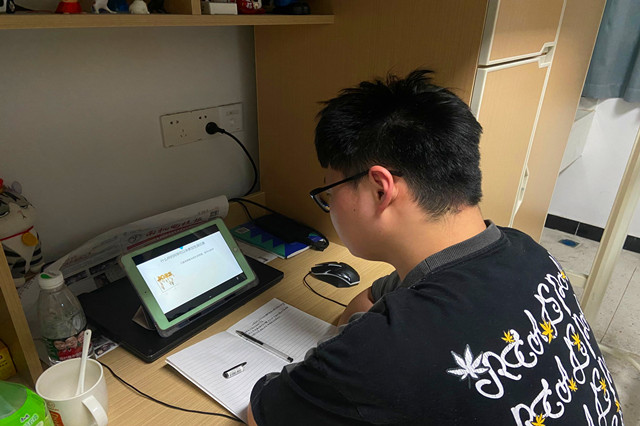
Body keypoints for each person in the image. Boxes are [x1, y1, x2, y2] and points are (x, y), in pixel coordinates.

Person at [248, 69, 623, 425]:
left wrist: (342, 363)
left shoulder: (391, 347)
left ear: (380, 189)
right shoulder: (526, 250)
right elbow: (369, 299)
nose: (330, 206)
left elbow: (263, 413)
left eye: (329, 191)